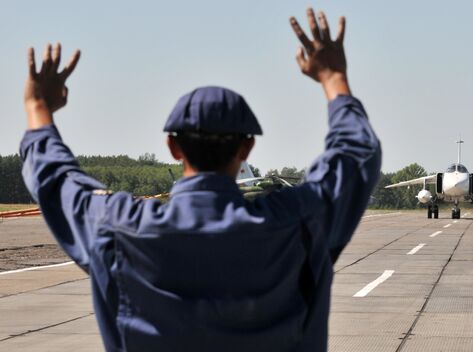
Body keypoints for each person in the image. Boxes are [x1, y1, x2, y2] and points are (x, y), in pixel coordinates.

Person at [20, 8, 381, 352]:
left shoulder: (117, 226)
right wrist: (334, 78)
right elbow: (355, 156)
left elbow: (55, 178)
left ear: (173, 146)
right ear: (247, 147)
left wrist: (39, 108)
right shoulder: (299, 222)